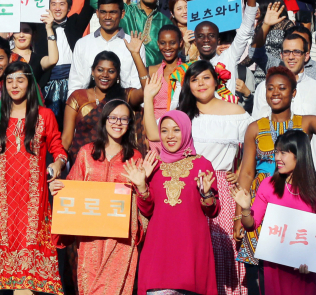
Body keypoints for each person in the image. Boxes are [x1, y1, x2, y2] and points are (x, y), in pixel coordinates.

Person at [151, 60, 250, 294]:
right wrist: (148, 98)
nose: (201, 84)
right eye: (194, 79)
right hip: (187, 185)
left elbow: (252, 149)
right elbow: (154, 133)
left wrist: (238, 171)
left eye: (206, 77)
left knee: (223, 247)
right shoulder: (183, 113)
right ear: (188, 85)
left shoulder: (237, 113)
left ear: (216, 81)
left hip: (223, 187)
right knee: (190, 248)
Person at [0, 61, 67, 294]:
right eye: (9, 80)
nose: (14, 85)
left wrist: (58, 164)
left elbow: (58, 148)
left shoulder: (44, 115)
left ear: (30, 83)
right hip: (4, 200)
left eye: (20, 80)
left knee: (29, 263)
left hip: (33, 200)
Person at [50, 99, 149, 295]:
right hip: (90, 239)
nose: (117, 123)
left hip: (121, 240)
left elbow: (143, 200)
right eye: (113, 117)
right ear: (104, 120)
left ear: (129, 124)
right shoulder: (87, 153)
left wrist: (142, 186)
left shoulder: (135, 157)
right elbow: (73, 188)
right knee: (90, 288)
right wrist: (59, 189)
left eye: (123, 119)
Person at [234, 66, 316, 295]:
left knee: (297, 276)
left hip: (297, 202)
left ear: (294, 92)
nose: (275, 92)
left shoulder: (306, 122)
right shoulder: (254, 128)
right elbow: (247, 174)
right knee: (260, 273)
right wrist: (239, 216)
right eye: (270, 88)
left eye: (282, 88)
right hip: (262, 201)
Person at [124, 109, 219, 294]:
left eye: (176, 130)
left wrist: (207, 195)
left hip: (192, 248)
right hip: (159, 248)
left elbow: (213, 211)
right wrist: (141, 185)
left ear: (186, 130)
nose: (170, 136)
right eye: (165, 130)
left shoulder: (202, 164)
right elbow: (147, 210)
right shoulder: (153, 163)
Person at [231, 130, 316, 293]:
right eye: (276, 152)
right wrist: (246, 208)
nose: (277, 158)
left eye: (283, 153)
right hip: (274, 268)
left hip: (305, 271)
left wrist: (312, 259)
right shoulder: (268, 185)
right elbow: (250, 225)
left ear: (300, 155)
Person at [63, 49, 146, 161]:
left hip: (118, 163)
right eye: (100, 70)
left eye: (111, 71)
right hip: (85, 164)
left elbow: (148, 89)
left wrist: (136, 54)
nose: (105, 75)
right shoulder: (78, 97)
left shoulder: (125, 96)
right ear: (93, 71)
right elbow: (66, 139)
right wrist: (60, 161)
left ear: (117, 75)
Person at [68, 0, 145, 96]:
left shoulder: (134, 45)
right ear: (97, 13)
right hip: (89, 107)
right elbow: (75, 84)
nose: (107, 17)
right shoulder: (82, 44)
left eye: (113, 12)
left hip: (123, 106)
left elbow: (137, 85)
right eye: (103, 12)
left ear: (122, 14)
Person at [252, 34, 316, 119]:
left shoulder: (314, 87)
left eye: (297, 52)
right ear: (281, 55)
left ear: (306, 56)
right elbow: (258, 124)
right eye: (287, 52)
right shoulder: (265, 87)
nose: (291, 57)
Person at [121, 0, 170, 67]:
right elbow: (97, 3)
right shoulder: (126, 12)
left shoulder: (165, 22)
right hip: (126, 72)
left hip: (154, 76)